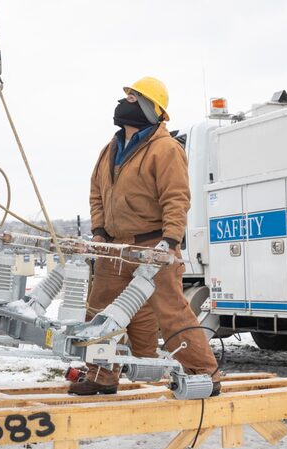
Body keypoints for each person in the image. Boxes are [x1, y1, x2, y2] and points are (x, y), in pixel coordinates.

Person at [69, 77, 222, 396]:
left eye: (133, 98)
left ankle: (204, 373)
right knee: (100, 312)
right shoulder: (109, 150)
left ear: (152, 111)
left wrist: (170, 240)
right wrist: (99, 231)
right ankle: (101, 375)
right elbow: (97, 193)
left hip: (154, 246)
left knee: (172, 313)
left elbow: (177, 197)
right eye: (125, 97)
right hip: (115, 248)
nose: (124, 102)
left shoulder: (165, 149)